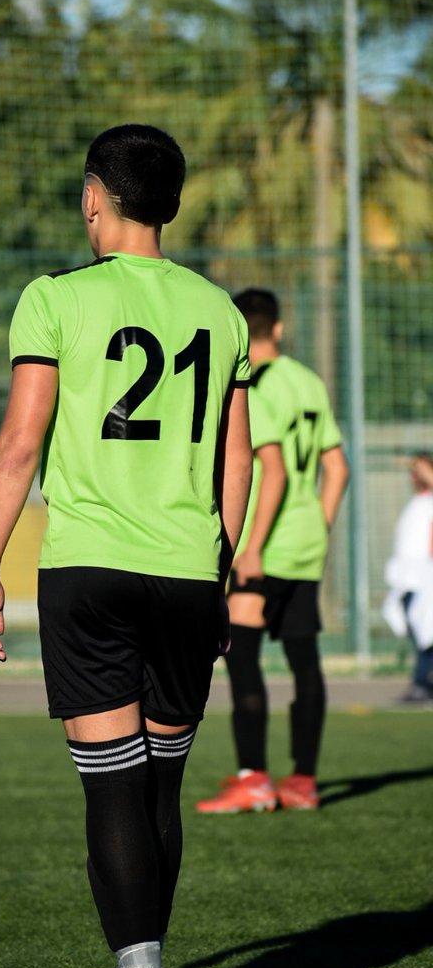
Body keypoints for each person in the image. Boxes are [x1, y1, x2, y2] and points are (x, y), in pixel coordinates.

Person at [0, 124, 253, 968]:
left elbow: (20, 442)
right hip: (188, 571)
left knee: (112, 790)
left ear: (95, 196)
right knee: (161, 788)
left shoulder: (54, 298)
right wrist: (219, 567)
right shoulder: (220, 311)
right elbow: (237, 460)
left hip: (89, 570)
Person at [196, 288, 349, 815]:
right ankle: (304, 780)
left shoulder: (254, 385)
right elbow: (338, 468)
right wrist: (318, 527)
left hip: (267, 544)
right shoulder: (308, 381)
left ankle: (254, 779)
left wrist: (254, 546)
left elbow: (274, 472)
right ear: (278, 329)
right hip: (305, 541)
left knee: (241, 657)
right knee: (304, 660)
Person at [383, 453, 433, 702]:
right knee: (419, 632)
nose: (414, 476)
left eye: (418, 471)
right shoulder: (418, 502)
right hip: (409, 580)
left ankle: (422, 683)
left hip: (426, 579)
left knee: (426, 631)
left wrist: (422, 465)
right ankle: (422, 682)